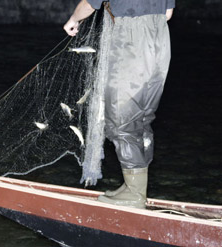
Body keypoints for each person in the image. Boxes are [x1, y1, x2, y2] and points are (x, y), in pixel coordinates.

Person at [64, 0, 175, 209]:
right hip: (160, 40)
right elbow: (168, 13)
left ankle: (135, 193)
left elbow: (89, 4)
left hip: (131, 42)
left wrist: (73, 20)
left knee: (121, 120)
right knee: (142, 118)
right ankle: (133, 184)